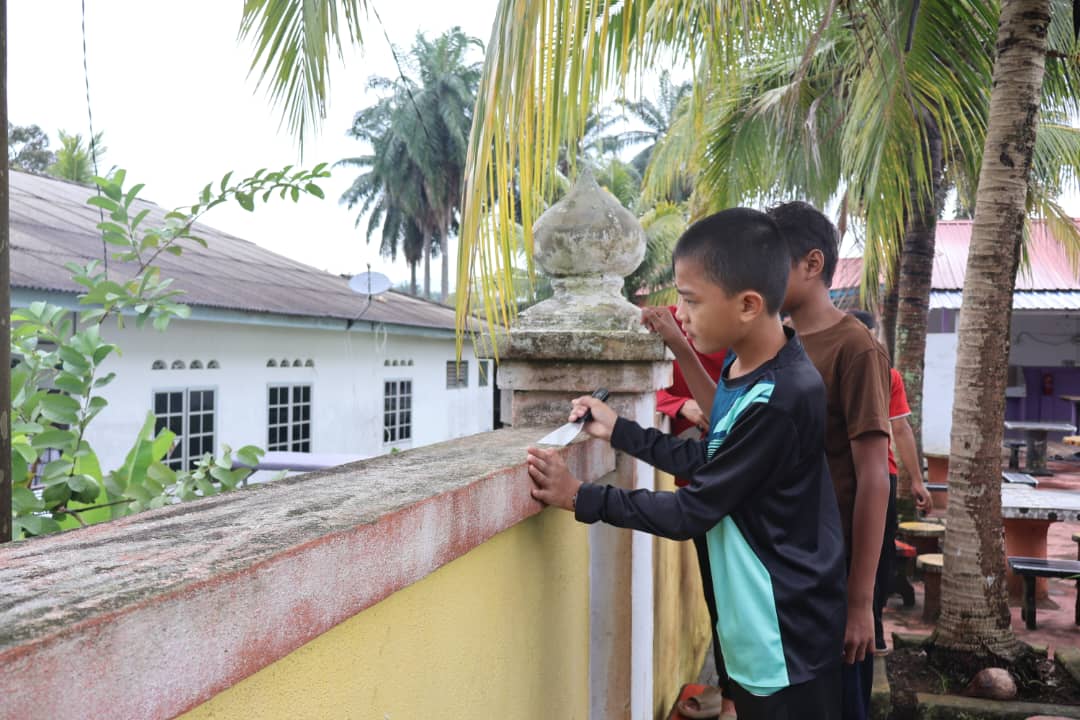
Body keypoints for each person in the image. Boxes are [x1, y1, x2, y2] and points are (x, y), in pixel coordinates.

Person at [527, 208, 846, 720]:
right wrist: (620, 430)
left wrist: (579, 496)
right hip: (757, 621)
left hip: (785, 633)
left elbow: (690, 512)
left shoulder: (780, 397)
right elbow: (711, 457)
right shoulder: (747, 368)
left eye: (691, 300)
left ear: (747, 305)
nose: (680, 314)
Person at [768, 202, 891, 720]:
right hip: (784, 562)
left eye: (770, 259)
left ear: (812, 264)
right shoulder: (777, 344)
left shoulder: (854, 347)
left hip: (834, 572)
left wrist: (860, 602)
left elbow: (874, 477)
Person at [644, 306, 733, 719]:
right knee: (718, 597)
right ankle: (731, 696)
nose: (685, 309)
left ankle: (738, 695)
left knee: (742, 602)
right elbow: (634, 388)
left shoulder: (749, 329)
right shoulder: (666, 321)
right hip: (701, 489)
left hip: (748, 489)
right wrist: (679, 404)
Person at [847, 309, 933, 655]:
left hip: (879, 474)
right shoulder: (838, 368)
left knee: (879, 552)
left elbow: (901, 428)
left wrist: (917, 480)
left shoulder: (888, 375)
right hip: (849, 473)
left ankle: (874, 624)